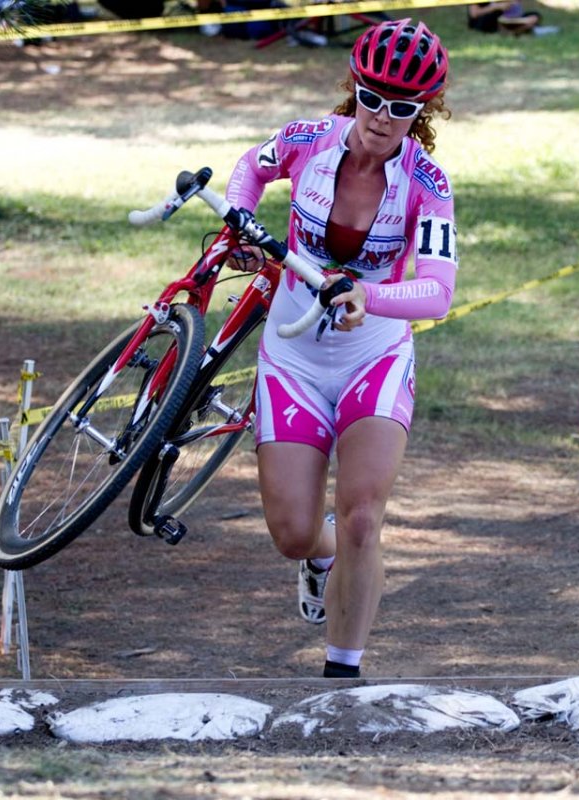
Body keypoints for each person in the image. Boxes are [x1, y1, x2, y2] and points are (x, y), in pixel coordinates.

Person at [224, 18, 457, 679]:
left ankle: (342, 676)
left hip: (373, 357)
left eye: (403, 108)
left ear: (423, 112)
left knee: (361, 518)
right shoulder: (307, 141)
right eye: (373, 97)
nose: (383, 118)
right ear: (353, 87)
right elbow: (250, 167)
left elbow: (437, 293)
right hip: (294, 356)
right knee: (295, 532)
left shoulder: (428, 184)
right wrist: (240, 220)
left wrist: (370, 296)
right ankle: (317, 559)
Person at [467, 2, 559, 37]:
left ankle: (519, 28)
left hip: (508, 19)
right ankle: (525, 29)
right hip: (485, 21)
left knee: (535, 15)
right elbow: (474, 14)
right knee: (497, 14)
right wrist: (496, 7)